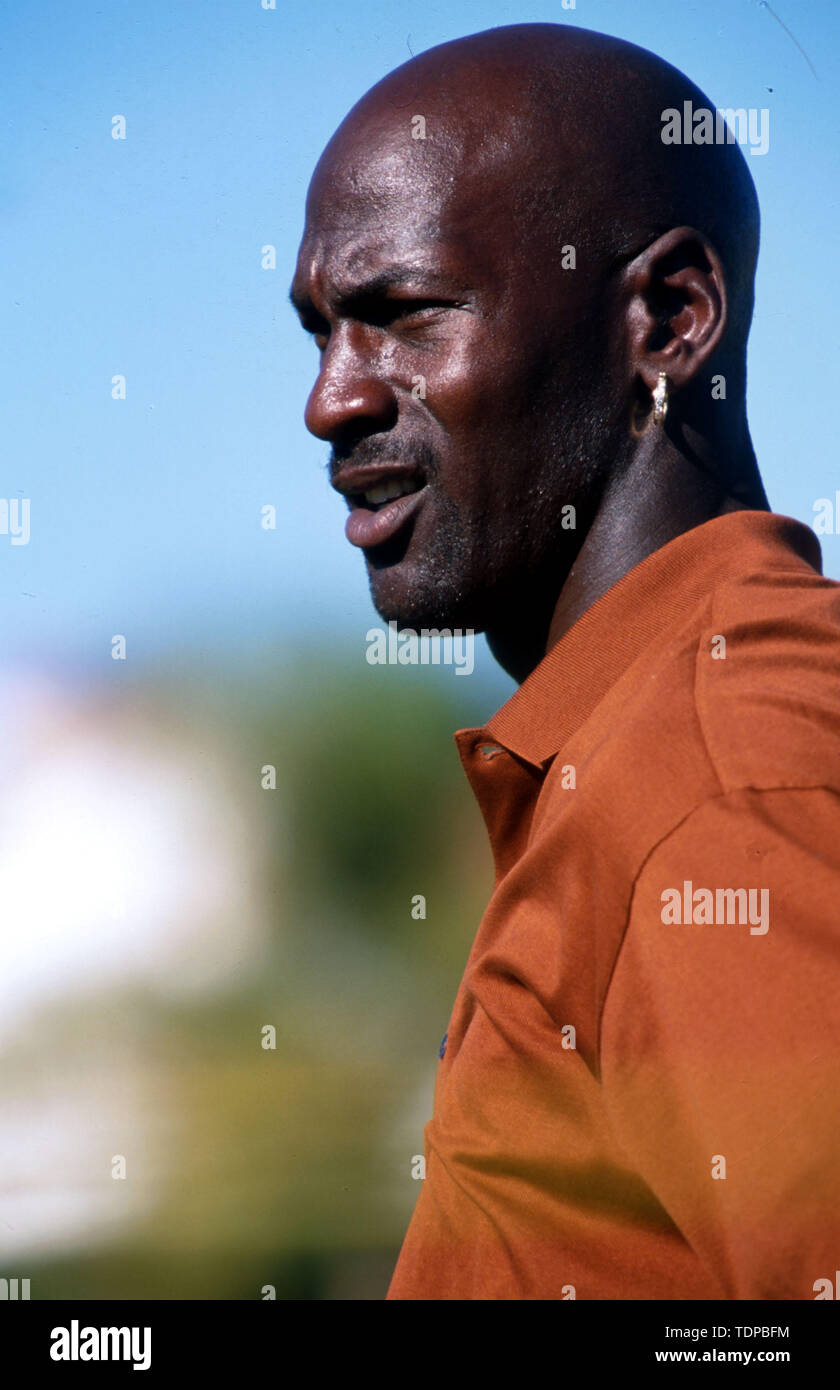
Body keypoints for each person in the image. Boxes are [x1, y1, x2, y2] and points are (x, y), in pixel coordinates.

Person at [291, 23, 840, 1300]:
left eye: (404, 315)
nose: (331, 400)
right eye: (320, 333)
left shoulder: (716, 777)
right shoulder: (639, 753)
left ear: (672, 319)